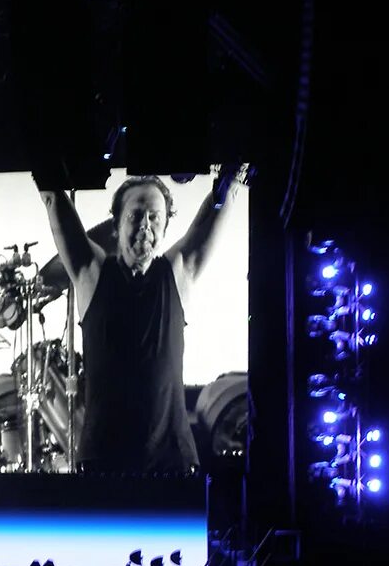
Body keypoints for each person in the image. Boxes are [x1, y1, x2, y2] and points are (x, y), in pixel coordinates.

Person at [36, 165, 242, 473]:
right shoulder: (93, 274)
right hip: (104, 463)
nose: (145, 225)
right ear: (116, 225)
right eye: (136, 215)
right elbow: (53, 198)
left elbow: (217, 206)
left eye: (154, 217)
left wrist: (233, 176)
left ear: (164, 228)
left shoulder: (177, 273)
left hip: (171, 461)